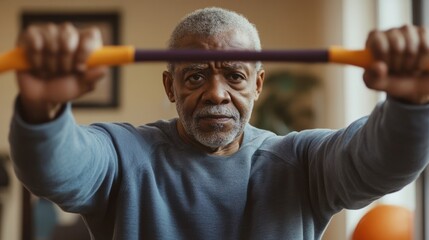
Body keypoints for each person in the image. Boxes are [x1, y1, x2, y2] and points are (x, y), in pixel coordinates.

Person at [9, 7, 429, 240]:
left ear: (258, 84)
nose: (215, 93)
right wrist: (44, 108)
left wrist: (411, 103)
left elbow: (378, 162)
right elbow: (58, 170)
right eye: (194, 76)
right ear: (170, 86)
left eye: (235, 75)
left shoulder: (301, 161)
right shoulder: (124, 154)